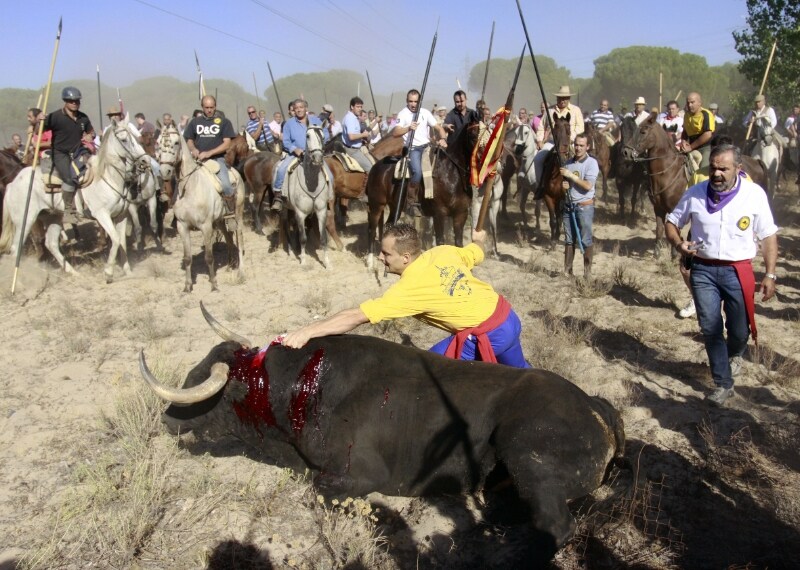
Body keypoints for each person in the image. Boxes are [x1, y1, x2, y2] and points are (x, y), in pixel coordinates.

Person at [282, 223, 531, 368]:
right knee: (524, 374)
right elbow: (476, 252)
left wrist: (308, 331)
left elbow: (357, 316)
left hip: (489, 335)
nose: (380, 257)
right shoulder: (443, 251)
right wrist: (479, 240)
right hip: (509, 318)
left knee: (425, 373)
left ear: (405, 258)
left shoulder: (408, 290)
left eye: (385, 254)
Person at [665, 144, 778, 406]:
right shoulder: (695, 193)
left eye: (723, 169)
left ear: (738, 169)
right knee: (710, 327)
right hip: (703, 269)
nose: (716, 173)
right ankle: (723, 383)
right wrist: (679, 243)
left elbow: (769, 235)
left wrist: (770, 274)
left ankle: (736, 352)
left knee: (739, 330)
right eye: (713, 168)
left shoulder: (754, 195)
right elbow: (672, 222)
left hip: (738, 270)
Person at [391, 89, 447, 217]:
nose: (413, 104)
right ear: (407, 101)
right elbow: (395, 133)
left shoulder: (425, 112)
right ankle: (411, 202)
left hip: (427, 146)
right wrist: (408, 128)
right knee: (417, 171)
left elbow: (438, 128)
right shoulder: (403, 114)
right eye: (410, 101)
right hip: (413, 149)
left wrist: (443, 138)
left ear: (419, 101)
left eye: (416, 101)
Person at [43, 86, 94, 224]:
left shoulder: (83, 117)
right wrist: (38, 121)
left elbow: (91, 131)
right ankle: (68, 210)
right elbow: (39, 130)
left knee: (94, 167)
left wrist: (90, 135)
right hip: (60, 153)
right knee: (70, 178)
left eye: (77, 101)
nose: (75, 103)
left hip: (78, 151)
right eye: (72, 101)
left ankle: (92, 204)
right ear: (65, 101)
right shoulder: (54, 116)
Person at [183, 95, 237, 215]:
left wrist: (209, 153)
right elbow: (189, 140)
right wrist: (193, 149)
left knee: (226, 185)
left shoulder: (224, 122)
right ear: (202, 107)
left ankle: (230, 213)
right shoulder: (195, 122)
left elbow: (227, 143)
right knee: (182, 181)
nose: (209, 110)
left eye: (211, 107)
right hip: (197, 160)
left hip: (217, 160)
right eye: (206, 107)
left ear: (215, 107)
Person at [271, 99, 327, 212]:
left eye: (301, 107)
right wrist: (295, 149)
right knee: (281, 169)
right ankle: (278, 196)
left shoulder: (315, 120)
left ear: (306, 108)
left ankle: (330, 195)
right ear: (293, 110)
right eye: (296, 108)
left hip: (315, 153)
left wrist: (320, 143)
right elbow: (286, 141)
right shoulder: (289, 124)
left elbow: (325, 132)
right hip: (295, 154)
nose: (299, 109)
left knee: (329, 172)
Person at [559, 134, 599, 279]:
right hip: (569, 206)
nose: (578, 148)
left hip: (584, 207)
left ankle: (587, 273)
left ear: (587, 147)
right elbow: (567, 186)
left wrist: (571, 176)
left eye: (581, 145)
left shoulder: (592, 163)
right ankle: (567, 271)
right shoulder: (568, 163)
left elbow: (588, 185)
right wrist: (564, 187)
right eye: (576, 144)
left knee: (585, 239)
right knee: (569, 239)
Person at [680, 92, 715, 176]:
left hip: (705, 148)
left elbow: (707, 134)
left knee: (704, 171)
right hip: (690, 147)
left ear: (700, 103)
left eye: (692, 102)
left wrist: (691, 147)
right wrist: (683, 141)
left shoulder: (706, 114)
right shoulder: (686, 115)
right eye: (688, 103)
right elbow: (685, 131)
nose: (689, 105)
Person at [341, 96, 375, 175]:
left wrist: (376, 121)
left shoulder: (354, 117)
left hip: (358, 147)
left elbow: (358, 133)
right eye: (357, 107)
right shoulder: (350, 118)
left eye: (361, 107)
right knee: (370, 168)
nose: (359, 109)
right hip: (352, 150)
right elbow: (351, 137)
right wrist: (363, 135)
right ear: (352, 107)